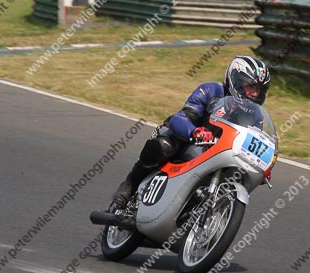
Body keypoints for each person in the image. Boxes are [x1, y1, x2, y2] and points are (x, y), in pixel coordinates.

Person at [112, 56, 271, 207]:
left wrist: (261, 165)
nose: (255, 94)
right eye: (250, 86)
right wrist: (195, 132)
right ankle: (130, 184)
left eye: (260, 89)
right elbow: (180, 118)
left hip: (218, 153)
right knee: (163, 146)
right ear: (235, 80)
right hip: (186, 139)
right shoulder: (210, 91)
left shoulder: (256, 116)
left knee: (235, 176)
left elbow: (252, 142)